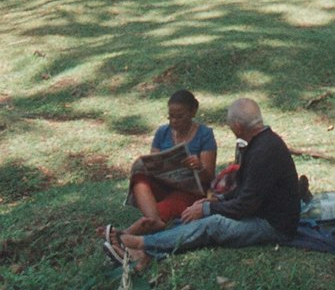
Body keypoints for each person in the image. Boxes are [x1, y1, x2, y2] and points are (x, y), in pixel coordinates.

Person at [105, 98, 299, 270]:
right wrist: (213, 202)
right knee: (197, 217)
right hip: (258, 213)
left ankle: (140, 244)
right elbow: (243, 189)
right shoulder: (258, 144)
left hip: (273, 226)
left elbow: (246, 204)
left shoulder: (263, 151)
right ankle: (146, 254)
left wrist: (209, 209)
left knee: (212, 224)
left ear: (238, 126)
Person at [123, 89, 217, 236]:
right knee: (139, 177)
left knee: (170, 205)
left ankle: (125, 234)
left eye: (180, 117)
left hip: (190, 191)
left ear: (193, 112)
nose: (174, 121)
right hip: (164, 185)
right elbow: (152, 164)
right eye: (171, 117)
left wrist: (198, 167)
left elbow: (209, 176)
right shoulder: (162, 132)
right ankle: (154, 220)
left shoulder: (204, 134)